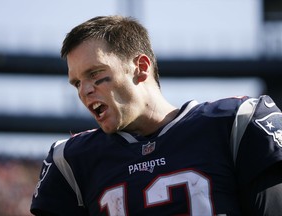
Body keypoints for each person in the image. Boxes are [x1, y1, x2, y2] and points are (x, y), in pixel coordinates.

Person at [30, 15, 282, 216]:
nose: (84, 91)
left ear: (140, 68)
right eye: (76, 83)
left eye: (95, 74)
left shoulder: (235, 123)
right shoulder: (72, 160)